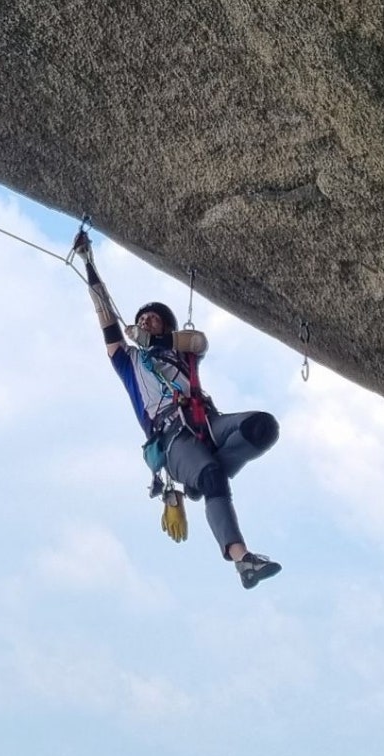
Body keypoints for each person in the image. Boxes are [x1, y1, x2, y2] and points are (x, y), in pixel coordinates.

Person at [81, 238, 282, 590]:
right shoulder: (128, 362)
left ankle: (204, 476)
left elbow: (198, 341)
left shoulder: (182, 352)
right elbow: (106, 320)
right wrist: (88, 263)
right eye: (144, 318)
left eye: (154, 319)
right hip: (172, 438)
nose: (147, 320)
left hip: (206, 421)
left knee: (262, 427)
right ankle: (242, 558)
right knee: (212, 479)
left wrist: (155, 342)